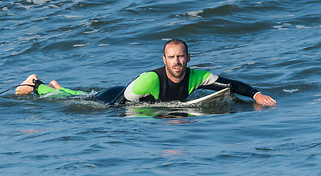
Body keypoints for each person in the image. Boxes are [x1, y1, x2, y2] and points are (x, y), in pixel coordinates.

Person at [15, 39, 276, 106]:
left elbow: (230, 84)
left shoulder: (197, 76)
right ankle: (37, 85)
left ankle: (58, 86)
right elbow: (118, 108)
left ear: (188, 58)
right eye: (171, 58)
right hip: (118, 98)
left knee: (80, 93)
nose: (177, 62)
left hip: (140, 100)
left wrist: (256, 95)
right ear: (164, 60)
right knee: (85, 100)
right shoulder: (149, 80)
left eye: (181, 57)